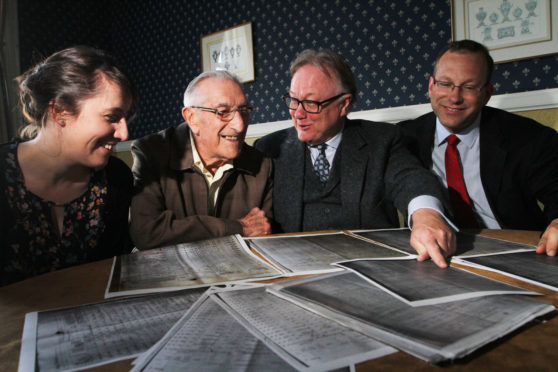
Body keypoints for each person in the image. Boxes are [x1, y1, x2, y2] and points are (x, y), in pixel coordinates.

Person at [255, 49, 456, 268]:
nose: (298, 113)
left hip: (370, 267)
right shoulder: (270, 148)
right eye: (293, 100)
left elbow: (410, 179)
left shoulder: (381, 140)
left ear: (343, 104)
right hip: (295, 267)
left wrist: (426, 215)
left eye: (311, 103)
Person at [398, 39, 558, 256]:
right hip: (435, 252)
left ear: (487, 93)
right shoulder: (404, 137)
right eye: (445, 84)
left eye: (469, 87)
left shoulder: (529, 137)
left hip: (517, 251)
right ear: (431, 87)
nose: (454, 97)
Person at [0, 46, 137, 286]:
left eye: (125, 118)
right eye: (111, 117)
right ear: (60, 111)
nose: (124, 133)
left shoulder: (116, 179)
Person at [130, 71, 272, 250]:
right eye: (223, 112)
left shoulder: (262, 165)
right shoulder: (152, 152)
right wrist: (236, 228)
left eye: (244, 111)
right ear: (192, 118)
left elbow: (263, 234)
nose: (240, 125)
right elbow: (146, 233)